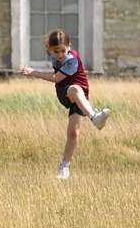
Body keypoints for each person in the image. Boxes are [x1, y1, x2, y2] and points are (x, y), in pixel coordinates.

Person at [19, 27, 111, 179]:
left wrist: (33, 72)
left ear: (69, 47)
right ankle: (95, 117)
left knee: (73, 133)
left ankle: (64, 168)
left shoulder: (71, 60)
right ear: (49, 50)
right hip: (64, 93)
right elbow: (59, 81)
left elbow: (56, 78)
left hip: (81, 98)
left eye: (63, 50)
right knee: (74, 89)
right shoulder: (55, 56)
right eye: (56, 51)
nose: (60, 55)